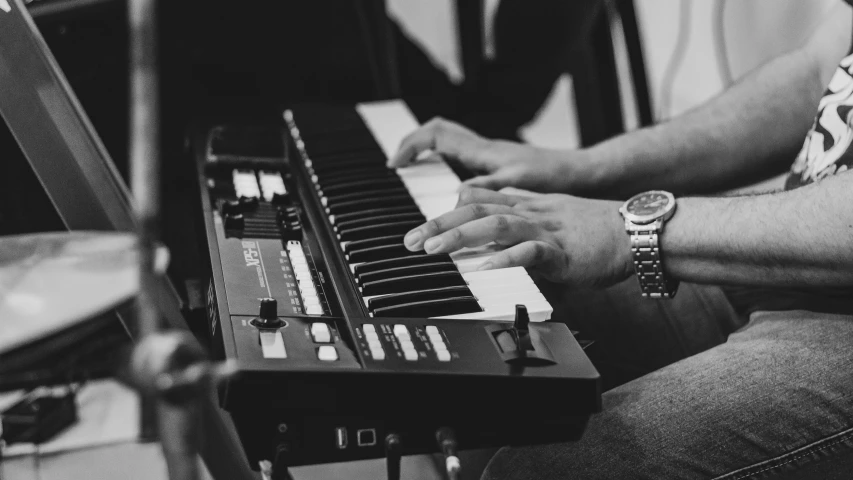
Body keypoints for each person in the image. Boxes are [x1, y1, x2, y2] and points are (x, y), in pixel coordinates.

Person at [388, 2, 853, 478]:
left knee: (541, 471)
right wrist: (580, 168)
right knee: (466, 373)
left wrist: (630, 231)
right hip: (791, 268)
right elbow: (819, 71)